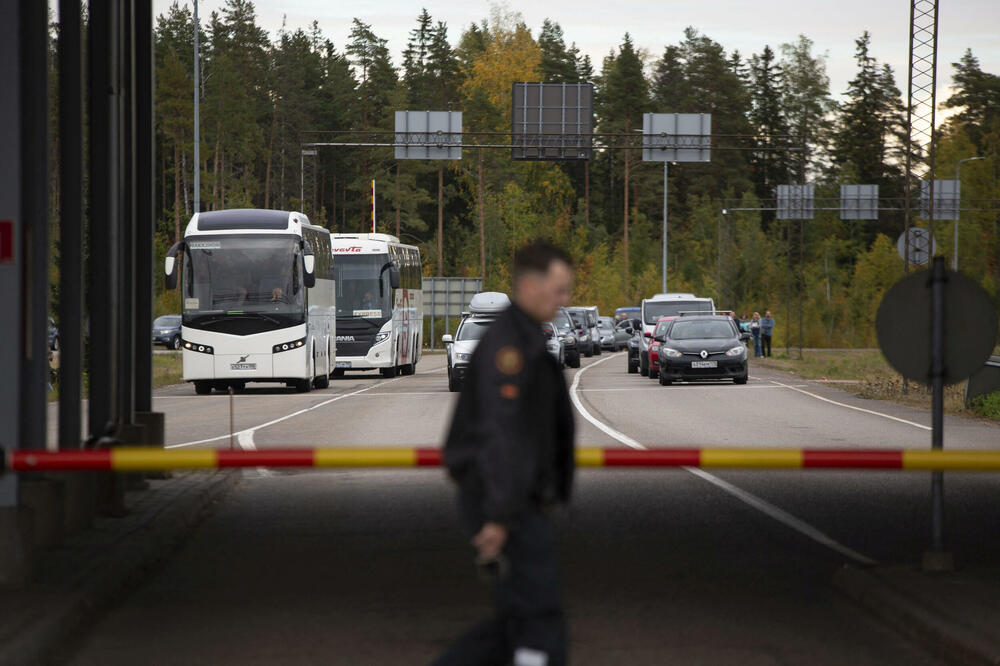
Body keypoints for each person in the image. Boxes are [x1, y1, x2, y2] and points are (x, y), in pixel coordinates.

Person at [435, 240, 576, 666]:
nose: (565, 299)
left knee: (515, 621)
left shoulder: (525, 337)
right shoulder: (509, 348)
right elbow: (502, 434)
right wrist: (498, 516)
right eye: (559, 289)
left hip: (513, 499)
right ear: (531, 287)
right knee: (541, 620)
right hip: (505, 502)